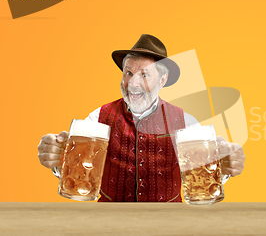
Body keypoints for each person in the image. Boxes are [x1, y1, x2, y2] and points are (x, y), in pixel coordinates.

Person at [37, 34, 245, 202]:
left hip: (170, 225)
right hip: (108, 223)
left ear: (162, 80)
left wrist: (225, 167)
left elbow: (204, 175)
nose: (133, 84)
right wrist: (57, 159)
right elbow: (76, 167)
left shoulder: (185, 122)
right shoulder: (97, 118)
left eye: (144, 75)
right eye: (128, 73)